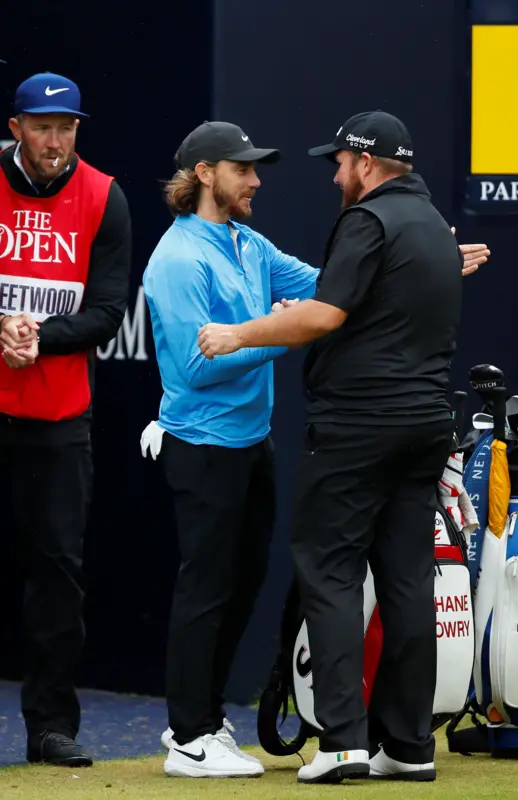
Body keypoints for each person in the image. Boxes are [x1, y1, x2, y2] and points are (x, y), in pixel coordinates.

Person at [197, 110, 466, 784]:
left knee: (331, 571)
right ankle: (408, 746)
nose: (337, 175)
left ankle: (343, 741)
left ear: (368, 165)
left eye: (341, 163)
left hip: (357, 427)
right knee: (407, 582)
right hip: (424, 426)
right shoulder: (434, 225)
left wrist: (240, 334)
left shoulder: (367, 220)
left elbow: (326, 313)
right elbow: (366, 305)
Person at [141, 121, 322, 779]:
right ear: (206, 174)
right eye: (243, 168)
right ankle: (188, 739)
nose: (256, 179)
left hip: (252, 443)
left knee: (240, 585)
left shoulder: (247, 241)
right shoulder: (178, 258)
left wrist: (418, 263)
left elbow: (322, 285)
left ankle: (205, 717)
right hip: (202, 447)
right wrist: (283, 334)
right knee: (207, 589)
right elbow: (197, 369)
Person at [0, 72, 131, 766]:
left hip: (57, 415)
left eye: (67, 128)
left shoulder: (104, 196)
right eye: (43, 127)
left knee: (57, 575)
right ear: (16, 127)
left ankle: (50, 727)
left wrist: (38, 337)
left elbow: (108, 311)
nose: (56, 141)